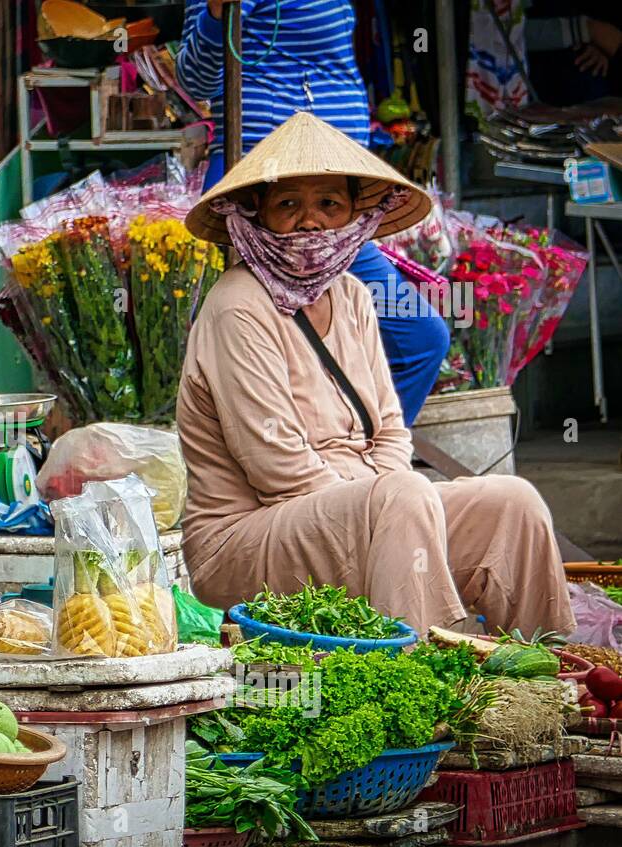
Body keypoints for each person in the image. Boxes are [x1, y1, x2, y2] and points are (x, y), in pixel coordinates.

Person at [176, 112, 575, 637]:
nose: (311, 221)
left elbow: (390, 430)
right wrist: (384, 501)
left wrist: (387, 496)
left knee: (511, 502)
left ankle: (544, 675)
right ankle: (425, 675)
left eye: (329, 205)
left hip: (356, 506)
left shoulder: (355, 296)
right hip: (245, 540)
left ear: (352, 221)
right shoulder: (237, 308)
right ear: (258, 216)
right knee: (402, 496)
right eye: (289, 205)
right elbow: (279, 471)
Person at [178, 0, 448, 424]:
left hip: (334, 209)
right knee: (233, 347)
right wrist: (217, 15)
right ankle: (284, 471)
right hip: (263, 199)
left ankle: (359, 463)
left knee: (420, 339)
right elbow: (195, 78)